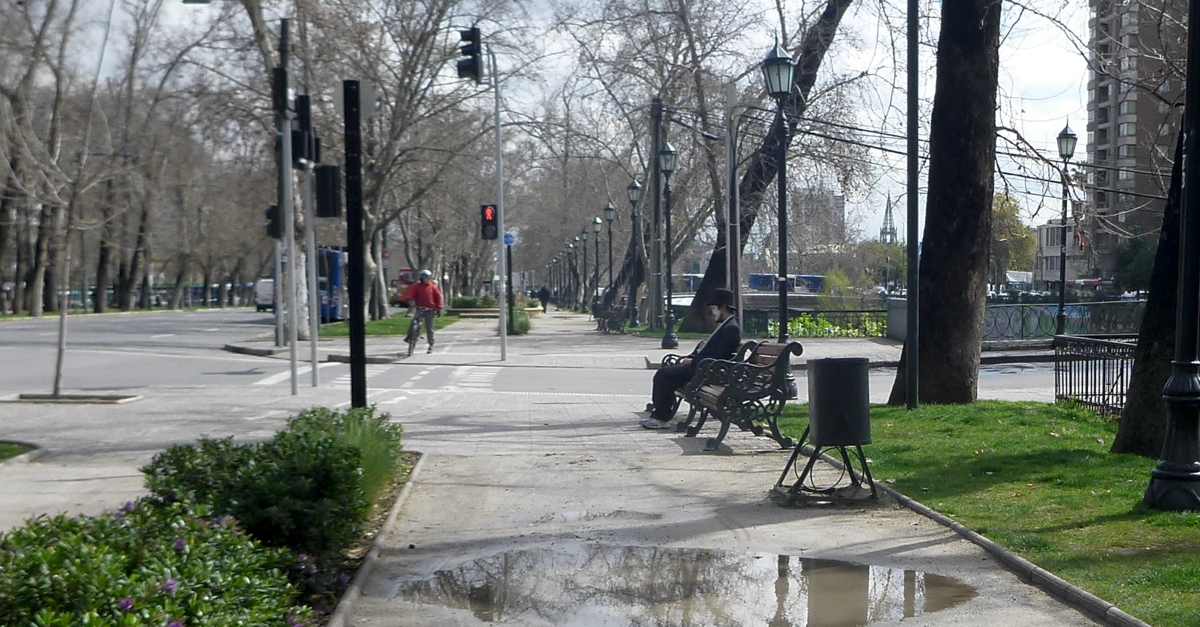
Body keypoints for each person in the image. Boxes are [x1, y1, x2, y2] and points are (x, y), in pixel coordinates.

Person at [641, 288, 741, 429]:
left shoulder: (731, 329)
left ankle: (661, 417)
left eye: (714, 308)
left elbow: (719, 356)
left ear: (723, 308)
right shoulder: (726, 326)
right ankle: (660, 414)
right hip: (703, 367)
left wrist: (693, 361)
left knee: (664, 376)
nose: (712, 313)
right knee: (666, 375)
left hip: (707, 371)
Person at [408, 269, 444, 353]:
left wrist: (439, 308)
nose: (428, 279)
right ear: (422, 278)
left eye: (429, 277)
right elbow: (411, 294)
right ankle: (410, 337)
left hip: (430, 309)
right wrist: (409, 300)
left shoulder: (433, 287)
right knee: (413, 322)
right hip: (420, 308)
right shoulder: (417, 287)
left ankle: (431, 344)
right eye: (426, 277)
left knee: (430, 328)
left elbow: (438, 297)